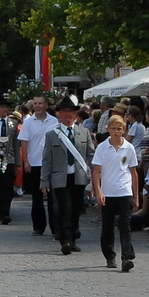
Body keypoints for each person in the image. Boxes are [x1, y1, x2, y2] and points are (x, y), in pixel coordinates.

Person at [41, 96, 95, 255]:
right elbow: (47, 159)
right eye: (64, 111)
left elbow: (91, 156)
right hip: (59, 177)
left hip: (78, 177)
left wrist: (97, 177)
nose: (68, 115)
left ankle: (73, 238)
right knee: (64, 207)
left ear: (76, 114)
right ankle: (65, 240)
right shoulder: (52, 134)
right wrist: (44, 181)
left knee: (76, 208)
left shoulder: (84, 132)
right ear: (58, 114)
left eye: (71, 111)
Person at [92, 111, 140, 271]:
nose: (117, 132)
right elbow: (96, 171)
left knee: (125, 224)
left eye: (120, 129)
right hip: (108, 192)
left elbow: (133, 173)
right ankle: (109, 256)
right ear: (108, 129)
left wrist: (135, 196)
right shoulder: (102, 148)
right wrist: (98, 192)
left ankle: (126, 256)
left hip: (124, 191)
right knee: (107, 226)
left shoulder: (129, 148)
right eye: (114, 128)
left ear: (124, 130)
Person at [18, 96, 59, 235]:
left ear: (46, 105)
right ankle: (38, 227)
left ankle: (55, 227)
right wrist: (26, 161)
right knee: (36, 197)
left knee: (53, 197)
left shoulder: (54, 121)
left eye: (40, 103)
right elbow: (24, 142)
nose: (37, 106)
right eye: (35, 103)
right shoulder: (28, 122)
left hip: (51, 163)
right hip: (34, 162)